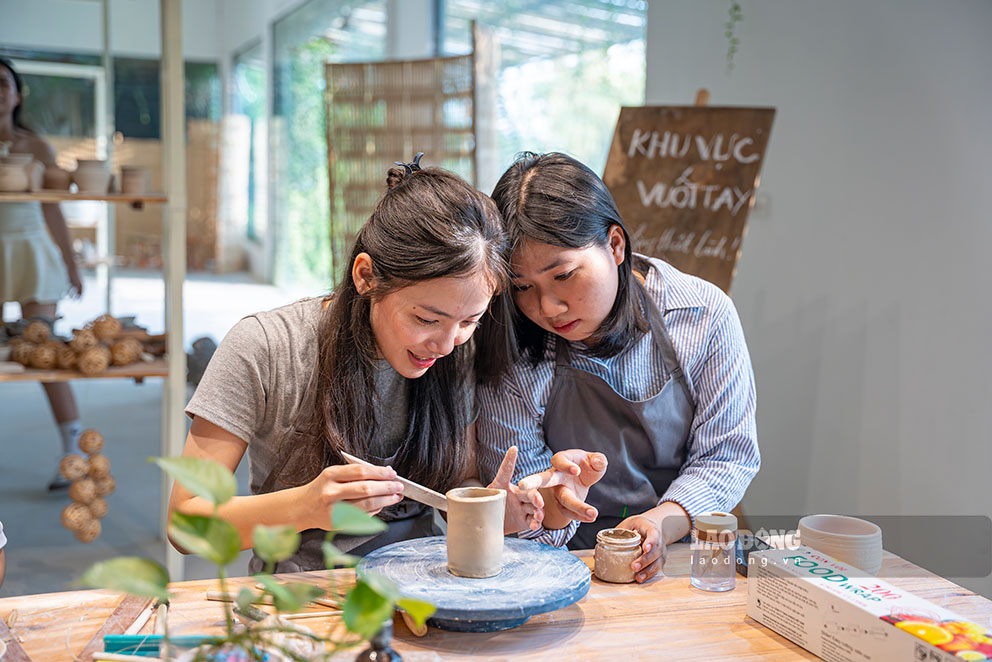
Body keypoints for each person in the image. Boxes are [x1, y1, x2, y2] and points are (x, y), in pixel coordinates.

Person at [174, 156, 547, 572]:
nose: (445, 344)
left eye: (469, 322)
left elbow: (457, 481)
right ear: (366, 276)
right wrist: (306, 507)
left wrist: (491, 511)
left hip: (422, 592)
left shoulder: (458, 352)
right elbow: (186, 521)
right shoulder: (265, 346)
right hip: (299, 600)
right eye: (426, 319)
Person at [476, 152, 760, 583]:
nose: (547, 307)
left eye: (565, 275)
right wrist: (551, 506)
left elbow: (728, 456)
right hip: (559, 570)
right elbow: (520, 512)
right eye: (522, 287)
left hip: (682, 557)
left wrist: (661, 522)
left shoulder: (702, 315)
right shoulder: (512, 346)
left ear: (614, 245)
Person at [0, 58, 85, 490]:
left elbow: (53, 209)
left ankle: (73, 449)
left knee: (45, 349)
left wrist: (72, 265)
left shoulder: (36, 147)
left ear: (17, 94)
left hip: (31, 250)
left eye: (3, 84)